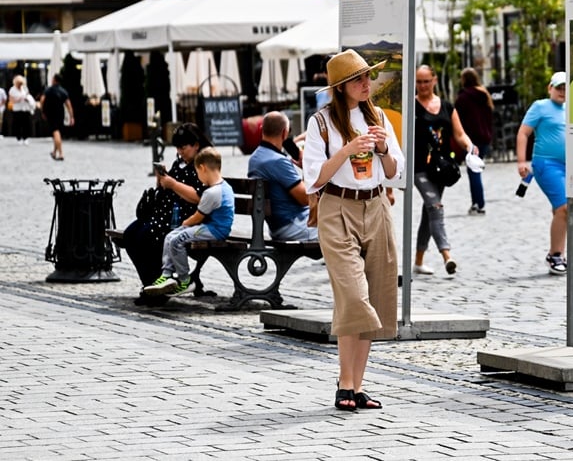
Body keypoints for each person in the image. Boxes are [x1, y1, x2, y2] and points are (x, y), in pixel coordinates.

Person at [302, 49, 403, 412]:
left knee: (375, 296)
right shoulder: (321, 122)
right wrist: (347, 150)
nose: (366, 83)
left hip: (376, 206)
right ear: (341, 86)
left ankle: (356, 387)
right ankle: (344, 382)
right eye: (358, 79)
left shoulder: (378, 116)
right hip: (337, 207)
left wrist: (383, 148)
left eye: (368, 77)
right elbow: (314, 178)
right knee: (353, 297)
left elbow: (395, 171)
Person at [123, 123, 212, 305]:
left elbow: (200, 198)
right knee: (130, 234)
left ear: (196, 145)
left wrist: (173, 184)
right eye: (177, 148)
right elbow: (168, 190)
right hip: (166, 214)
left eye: (183, 148)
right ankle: (151, 285)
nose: (180, 152)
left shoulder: (204, 164)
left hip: (189, 218)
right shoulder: (179, 163)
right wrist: (161, 180)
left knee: (149, 236)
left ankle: (159, 289)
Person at [143, 147, 235, 297]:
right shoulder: (223, 187)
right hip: (208, 226)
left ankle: (185, 280)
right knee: (170, 236)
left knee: (177, 240)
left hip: (216, 230)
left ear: (203, 168)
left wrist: (184, 224)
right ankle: (166, 275)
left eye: (198, 173)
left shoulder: (212, 193)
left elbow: (197, 217)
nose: (198, 177)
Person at [412, 64, 477, 276]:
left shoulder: (447, 106)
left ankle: (418, 261)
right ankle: (447, 255)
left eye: (426, 81)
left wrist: (470, 147)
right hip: (419, 167)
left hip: (441, 168)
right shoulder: (411, 107)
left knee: (429, 212)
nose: (422, 85)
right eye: (419, 82)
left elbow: (459, 134)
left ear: (434, 80)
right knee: (435, 207)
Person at [516, 71, 573, 275]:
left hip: (569, 166)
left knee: (562, 210)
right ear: (550, 88)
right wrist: (521, 161)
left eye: (566, 88)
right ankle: (555, 255)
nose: (562, 91)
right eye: (559, 87)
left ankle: (562, 255)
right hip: (546, 164)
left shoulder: (571, 108)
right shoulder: (540, 106)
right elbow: (523, 132)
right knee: (564, 208)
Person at [248, 111, 317, 242]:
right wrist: (307, 167)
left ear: (262, 129)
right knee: (341, 228)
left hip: (278, 226)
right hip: (293, 225)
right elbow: (305, 198)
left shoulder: (255, 158)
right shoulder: (278, 161)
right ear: (285, 133)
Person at [455, 67, 494, 215]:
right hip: (485, 138)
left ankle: (478, 204)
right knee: (475, 169)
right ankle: (477, 203)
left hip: (471, 139)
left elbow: (458, 120)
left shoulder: (463, 98)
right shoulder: (484, 95)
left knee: (473, 171)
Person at [40, 74, 73, 161]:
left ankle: (61, 153)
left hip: (51, 113)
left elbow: (42, 100)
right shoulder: (63, 91)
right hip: (60, 113)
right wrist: (71, 116)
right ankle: (54, 152)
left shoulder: (48, 90)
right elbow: (68, 105)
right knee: (57, 132)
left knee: (56, 132)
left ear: (54, 80)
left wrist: (42, 111)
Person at [7, 74, 34, 144]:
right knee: (17, 124)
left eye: (21, 83)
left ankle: (25, 138)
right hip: (17, 109)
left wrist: (27, 99)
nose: (20, 85)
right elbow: (11, 100)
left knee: (26, 124)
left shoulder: (25, 88)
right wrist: (19, 99)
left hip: (25, 108)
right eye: (18, 83)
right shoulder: (12, 89)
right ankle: (18, 138)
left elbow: (28, 95)